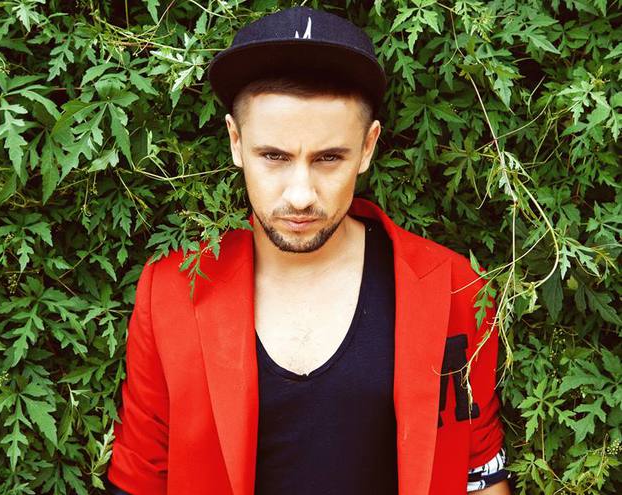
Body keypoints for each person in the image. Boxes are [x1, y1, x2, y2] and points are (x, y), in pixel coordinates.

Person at [106, 6, 510, 495]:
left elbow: (478, 471)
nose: (300, 195)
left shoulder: (452, 286)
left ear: (367, 147)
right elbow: (140, 475)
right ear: (235, 141)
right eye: (274, 156)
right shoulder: (172, 291)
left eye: (328, 158)